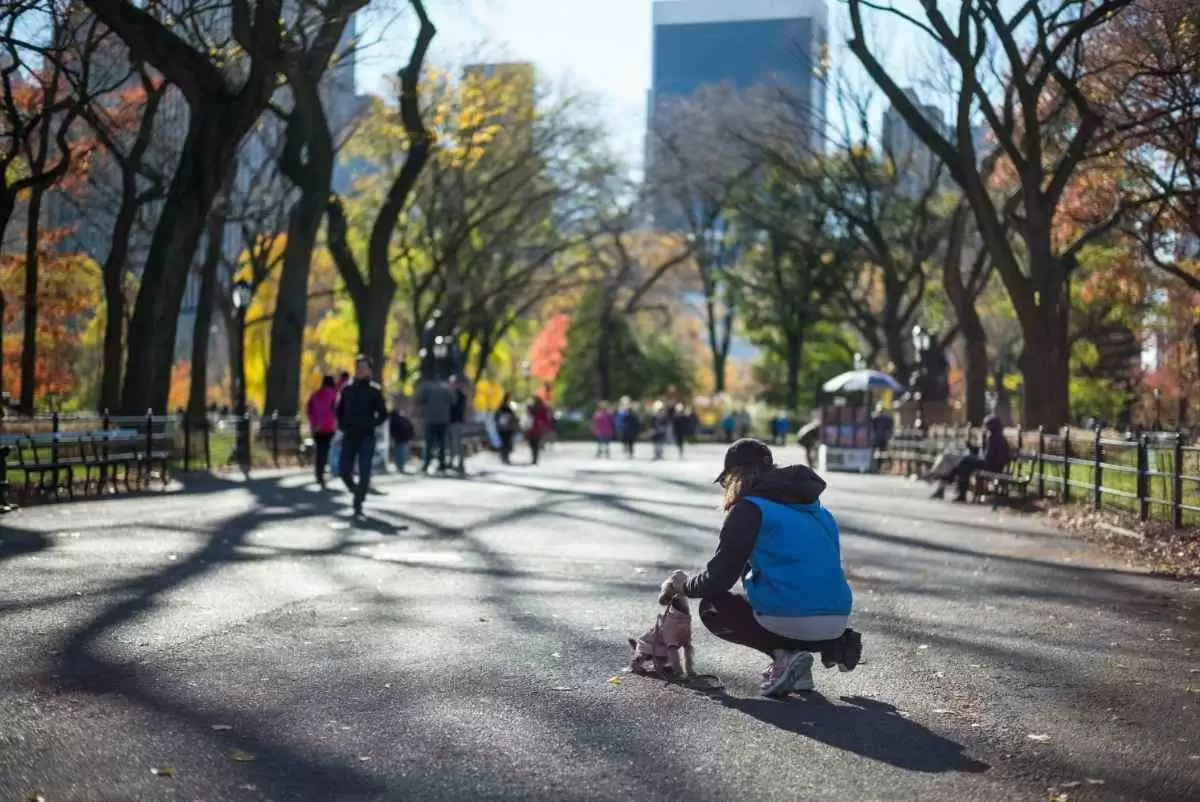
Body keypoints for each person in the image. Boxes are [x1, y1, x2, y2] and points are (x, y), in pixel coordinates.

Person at [668, 438, 862, 697]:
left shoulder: (750, 509)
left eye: (726, 482)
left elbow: (719, 579)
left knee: (714, 607)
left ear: (736, 476)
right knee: (781, 594)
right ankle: (825, 650)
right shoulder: (819, 511)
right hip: (837, 619)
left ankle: (783, 657)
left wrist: (685, 586)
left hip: (794, 616)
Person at [335, 356, 388, 516]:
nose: (359, 371)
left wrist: (372, 423)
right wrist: (342, 425)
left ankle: (358, 502)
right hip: (350, 435)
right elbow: (339, 410)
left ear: (370, 371)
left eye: (363, 368)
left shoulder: (374, 391)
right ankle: (356, 490)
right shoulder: (347, 389)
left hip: (367, 436)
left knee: (365, 471)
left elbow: (383, 414)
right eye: (357, 368)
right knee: (344, 470)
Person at [931, 415, 1011, 501]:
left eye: (987, 425)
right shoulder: (990, 437)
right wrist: (971, 447)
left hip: (993, 467)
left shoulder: (997, 439)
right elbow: (983, 453)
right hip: (987, 463)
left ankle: (950, 489)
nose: (985, 427)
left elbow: (991, 458)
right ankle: (960, 494)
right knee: (963, 466)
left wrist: (978, 455)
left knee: (962, 461)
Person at [416, 378, 455, 473]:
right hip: (443, 418)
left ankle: (426, 464)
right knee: (442, 443)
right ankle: (441, 464)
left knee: (429, 442)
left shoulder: (426, 387)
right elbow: (453, 401)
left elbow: (419, 400)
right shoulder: (447, 388)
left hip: (430, 418)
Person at [305, 375, 338, 488]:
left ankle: (318, 473)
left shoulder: (315, 395)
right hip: (329, 428)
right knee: (325, 451)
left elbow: (309, 410)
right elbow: (336, 411)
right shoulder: (335, 395)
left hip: (317, 428)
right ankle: (322, 474)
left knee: (319, 451)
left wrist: (314, 423)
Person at [447, 376, 469, 476]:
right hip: (450, 422)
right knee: (451, 444)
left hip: (456, 422)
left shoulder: (460, 395)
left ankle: (460, 463)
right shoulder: (452, 394)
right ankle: (452, 462)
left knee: (457, 443)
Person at [389, 395, 415, 473]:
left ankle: (400, 466)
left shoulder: (402, 412)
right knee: (401, 451)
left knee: (402, 451)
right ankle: (400, 466)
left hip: (403, 436)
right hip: (400, 436)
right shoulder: (395, 414)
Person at [525, 395, 553, 465]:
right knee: (536, 444)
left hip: (531, 428)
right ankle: (535, 458)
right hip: (538, 429)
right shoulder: (542, 408)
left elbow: (527, 415)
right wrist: (548, 427)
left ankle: (534, 457)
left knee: (532, 444)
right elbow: (546, 419)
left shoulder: (531, 407)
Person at [494, 396, 518, 464]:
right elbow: (514, 418)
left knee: (504, 443)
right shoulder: (509, 409)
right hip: (507, 428)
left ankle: (504, 457)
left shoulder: (500, 408)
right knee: (506, 443)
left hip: (503, 428)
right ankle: (505, 458)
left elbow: (496, 417)